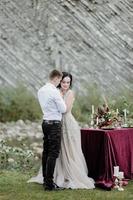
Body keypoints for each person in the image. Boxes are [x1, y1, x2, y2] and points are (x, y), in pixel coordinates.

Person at [28, 72, 95, 189]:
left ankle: (68, 175)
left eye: (68, 82)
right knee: (56, 151)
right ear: (59, 81)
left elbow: (66, 109)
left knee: (68, 149)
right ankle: (52, 177)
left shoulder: (69, 93)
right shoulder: (55, 91)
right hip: (56, 122)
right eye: (63, 82)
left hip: (67, 123)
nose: (65, 84)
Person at [33, 69, 67, 191]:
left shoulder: (41, 90)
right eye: (60, 80)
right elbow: (63, 109)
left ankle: (45, 179)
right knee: (53, 153)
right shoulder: (54, 91)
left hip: (45, 122)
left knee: (46, 152)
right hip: (54, 124)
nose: (60, 83)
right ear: (57, 78)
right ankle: (49, 184)